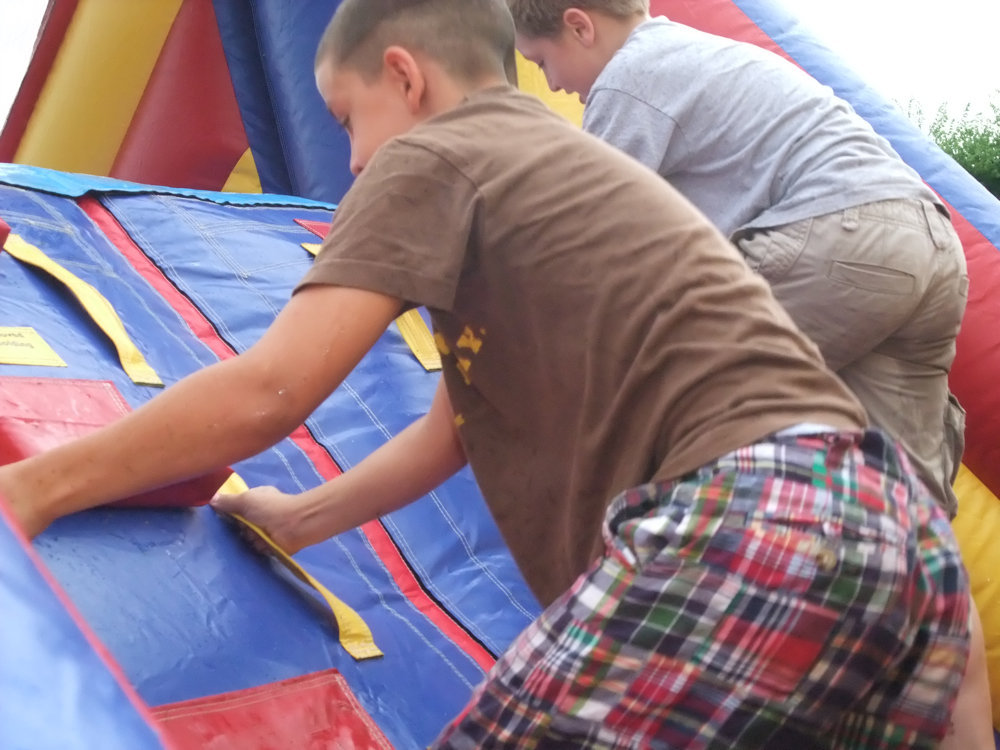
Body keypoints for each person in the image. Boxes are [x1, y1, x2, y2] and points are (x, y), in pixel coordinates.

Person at [0, 0, 970, 747]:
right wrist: (304, 517)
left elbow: (270, 391)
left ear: (404, 76)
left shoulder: (437, 156)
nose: (351, 155)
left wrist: (38, 487)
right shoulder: (557, 178)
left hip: (754, 514)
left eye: (347, 119)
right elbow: (448, 433)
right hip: (902, 542)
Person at [507, 2, 990, 746]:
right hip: (925, 248)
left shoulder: (630, 78)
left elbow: (580, 250)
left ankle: (647, 675)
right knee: (913, 528)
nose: (558, 86)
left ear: (579, 25)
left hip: (840, 241)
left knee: (661, 414)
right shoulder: (699, 57)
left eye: (543, 64)